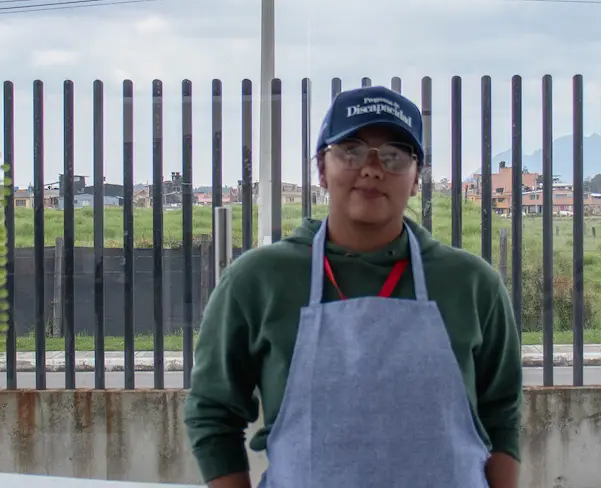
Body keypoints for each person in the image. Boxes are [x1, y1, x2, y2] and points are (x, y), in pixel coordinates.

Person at [184, 85, 522, 488]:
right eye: (351, 150)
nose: (372, 168)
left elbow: (502, 415)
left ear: (416, 178)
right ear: (322, 168)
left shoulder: (470, 284)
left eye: (395, 155)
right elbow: (212, 412)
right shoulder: (258, 282)